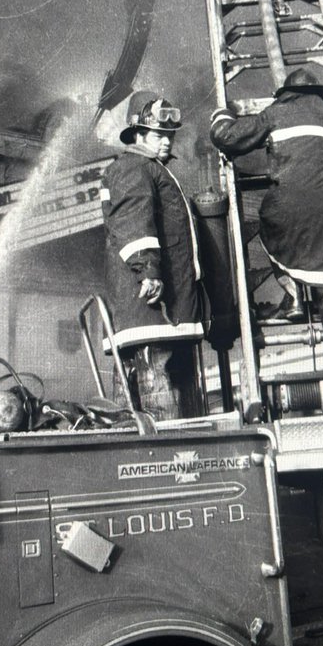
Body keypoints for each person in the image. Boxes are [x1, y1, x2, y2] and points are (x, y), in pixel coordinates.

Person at [209, 65, 323, 414]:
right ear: (322, 95)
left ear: (287, 94)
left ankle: (293, 293)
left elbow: (228, 138)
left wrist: (222, 113)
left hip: (288, 217)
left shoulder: (275, 114)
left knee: (269, 227)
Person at [100, 91, 204, 420]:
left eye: (169, 137)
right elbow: (133, 222)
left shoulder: (147, 168)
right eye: (159, 136)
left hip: (151, 308)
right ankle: (165, 448)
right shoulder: (134, 167)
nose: (167, 144)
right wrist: (148, 271)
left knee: (142, 377)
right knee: (156, 375)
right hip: (150, 305)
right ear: (140, 135)